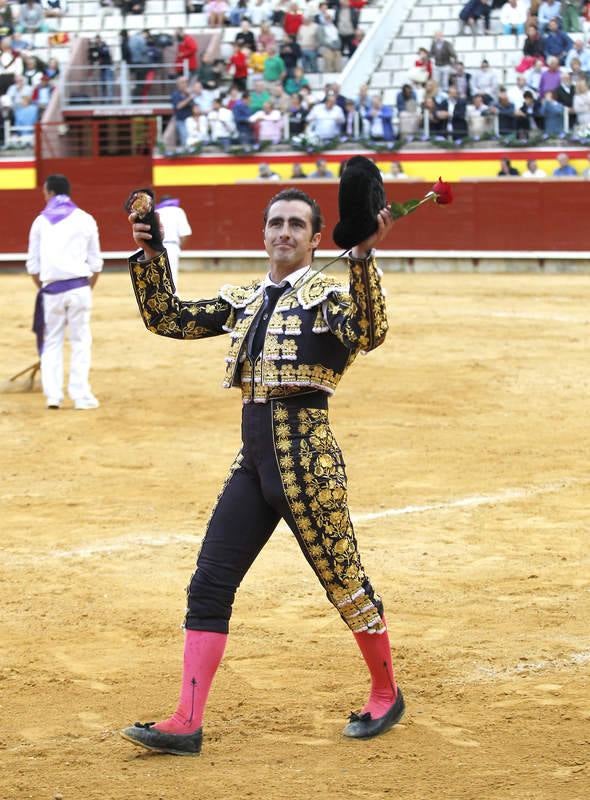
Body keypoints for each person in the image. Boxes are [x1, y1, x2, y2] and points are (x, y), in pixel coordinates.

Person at [120, 183, 401, 757]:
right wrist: (151, 256)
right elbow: (168, 318)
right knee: (209, 584)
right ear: (264, 232)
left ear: (317, 238)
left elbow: (370, 334)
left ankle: (385, 691)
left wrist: (366, 257)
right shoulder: (245, 298)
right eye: (276, 223)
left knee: (343, 581)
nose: (285, 233)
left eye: (298, 225)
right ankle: (186, 720)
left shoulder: (330, 297)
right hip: (253, 463)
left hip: (308, 462)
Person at [25, 174, 103, 410]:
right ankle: (80, 396)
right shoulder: (86, 219)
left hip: (51, 290)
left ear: (48, 192)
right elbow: (96, 263)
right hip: (80, 288)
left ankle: (53, 396)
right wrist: (87, 288)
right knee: (80, 341)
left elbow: (33, 265)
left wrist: (46, 289)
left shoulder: (40, 222)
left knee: (52, 342)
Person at [154, 196, 192, 288]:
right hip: (172, 246)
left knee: (157, 273)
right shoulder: (178, 211)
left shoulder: (156, 212)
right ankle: (172, 298)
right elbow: (185, 233)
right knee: (171, 275)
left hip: (156, 246)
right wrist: (178, 247)